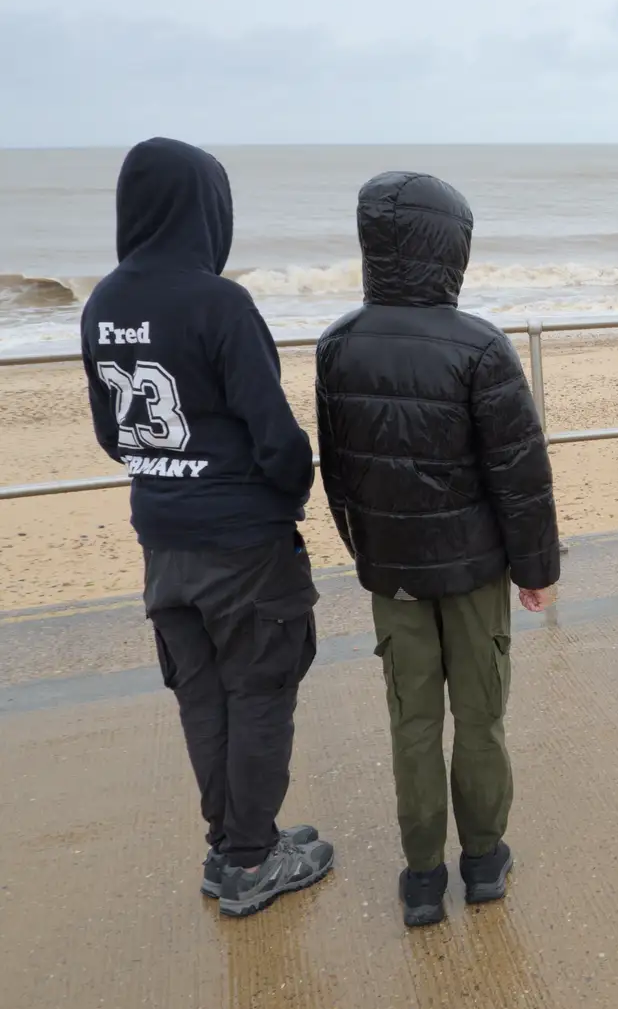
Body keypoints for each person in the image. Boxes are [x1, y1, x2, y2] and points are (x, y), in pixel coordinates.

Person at [80, 138, 334, 919]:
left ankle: (230, 844)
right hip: (243, 541)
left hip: (162, 538)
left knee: (201, 695)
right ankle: (254, 860)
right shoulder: (219, 303)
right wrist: (291, 489)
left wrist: (170, 471)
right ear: (206, 210)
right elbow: (278, 438)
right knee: (259, 691)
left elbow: (110, 433)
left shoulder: (103, 304)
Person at [315, 171, 560, 928]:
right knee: (480, 719)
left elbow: (339, 471)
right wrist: (536, 569)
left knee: (412, 723)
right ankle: (483, 862)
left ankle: (423, 878)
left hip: (395, 577)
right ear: (448, 249)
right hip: (476, 569)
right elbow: (519, 473)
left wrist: (365, 550)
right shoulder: (479, 346)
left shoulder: (339, 345)